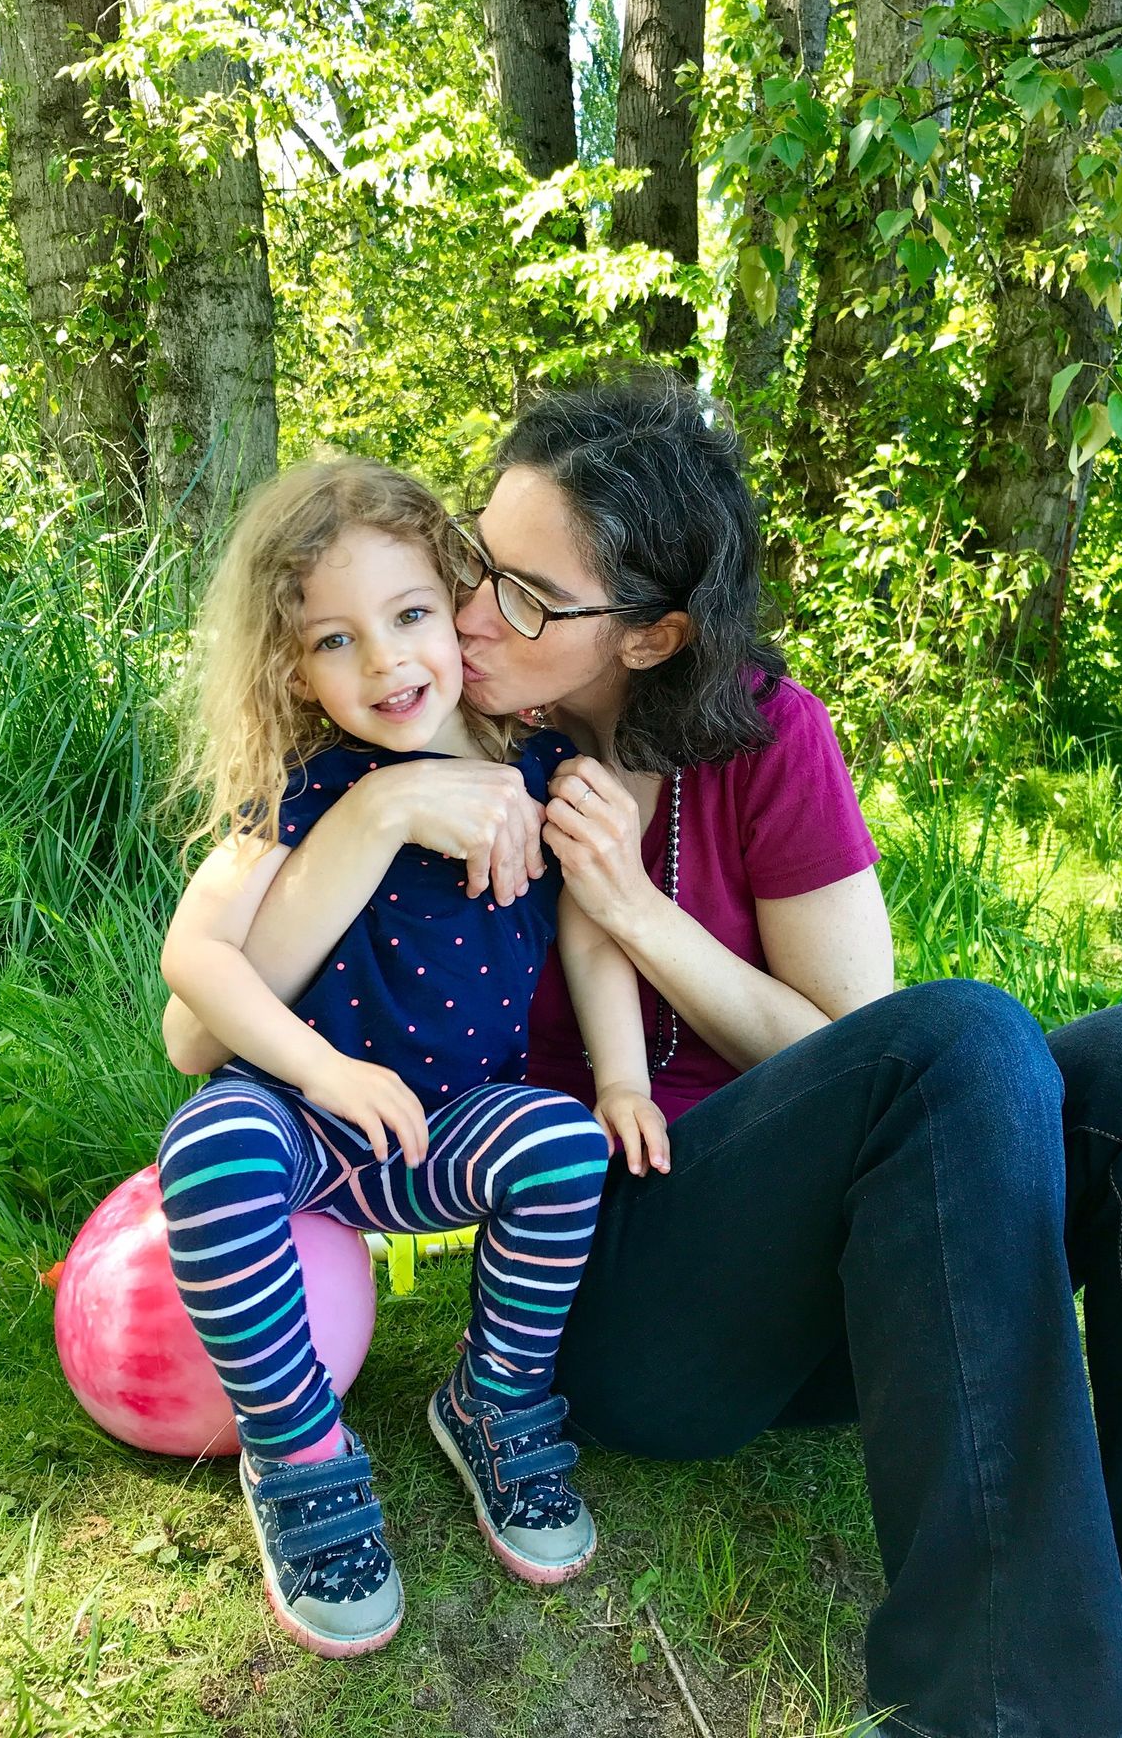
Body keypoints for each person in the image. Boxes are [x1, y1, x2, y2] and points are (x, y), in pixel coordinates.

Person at [163, 384, 1122, 1738]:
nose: (478, 615)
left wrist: (634, 912)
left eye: (531, 598)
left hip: (840, 1284)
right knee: (963, 1037)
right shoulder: (446, 743)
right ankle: (1019, 1712)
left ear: (656, 631)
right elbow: (196, 1026)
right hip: (616, 1297)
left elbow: (862, 1053)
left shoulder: (762, 734)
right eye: (477, 566)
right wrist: (382, 809)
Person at [156, 456, 671, 1660]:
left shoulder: (539, 779)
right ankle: (299, 1451)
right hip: (309, 1123)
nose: (386, 663)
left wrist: (622, 1078)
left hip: (442, 1131)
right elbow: (197, 964)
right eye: (335, 641)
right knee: (212, 1138)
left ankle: (492, 1396)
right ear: (292, 667)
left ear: (455, 603)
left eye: (407, 616)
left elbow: (594, 935)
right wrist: (320, 1073)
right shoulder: (294, 794)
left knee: (555, 1140)